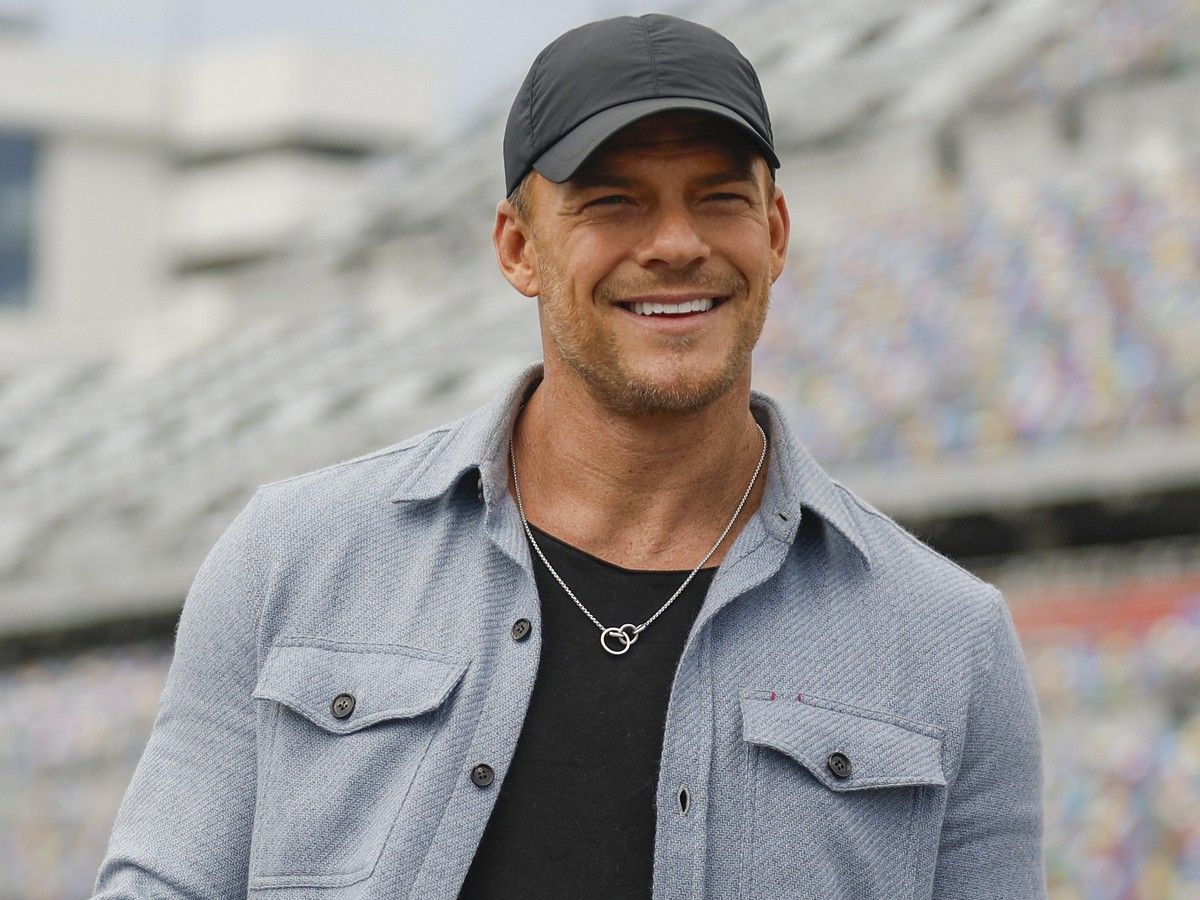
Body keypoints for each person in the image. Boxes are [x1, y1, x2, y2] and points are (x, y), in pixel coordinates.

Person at [92, 13, 1047, 900]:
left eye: (718, 199)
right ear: (518, 248)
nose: (675, 244)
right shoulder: (292, 556)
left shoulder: (949, 642)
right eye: (612, 204)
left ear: (776, 233)